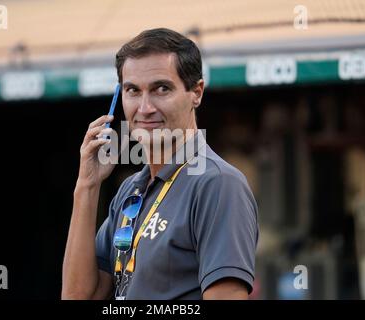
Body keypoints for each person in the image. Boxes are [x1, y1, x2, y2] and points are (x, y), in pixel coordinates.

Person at [61, 28, 259, 300]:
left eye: (161, 89)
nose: (144, 108)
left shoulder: (218, 183)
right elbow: (78, 296)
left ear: (196, 92)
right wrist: (87, 186)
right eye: (133, 90)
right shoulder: (130, 190)